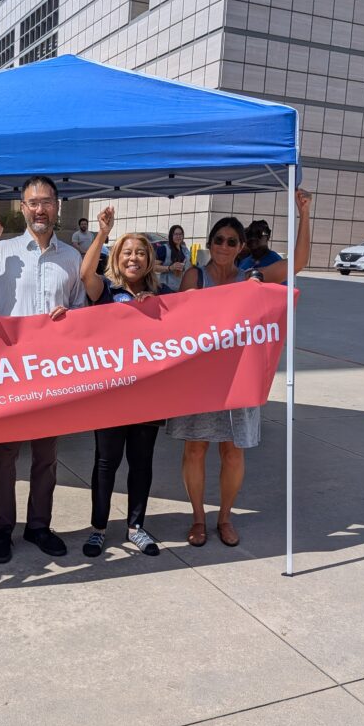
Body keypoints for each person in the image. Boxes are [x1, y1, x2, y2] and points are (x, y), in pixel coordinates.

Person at [171, 190, 312, 548]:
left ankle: (225, 518)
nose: (223, 245)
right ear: (210, 243)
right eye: (218, 239)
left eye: (231, 241)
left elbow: (297, 264)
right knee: (195, 449)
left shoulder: (253, 278)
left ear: (240, 247)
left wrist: (304, 213)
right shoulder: (194, 277)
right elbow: (176, 325)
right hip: (199, 379)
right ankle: (199, 519)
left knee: (233, 451)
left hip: (238, 379)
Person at [0, 175, 87, 563]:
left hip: (51, 372)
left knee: (47, 455)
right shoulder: (4, 250)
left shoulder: (71, 257)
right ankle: (2, 529)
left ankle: (39, 526)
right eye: (32, 203)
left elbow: (81, 308)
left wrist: (71, 316)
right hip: (8, 371)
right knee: (5, 456)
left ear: (57, 207)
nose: (40, 209)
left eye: (46, 202)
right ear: (22, 207)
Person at [79, 206, 169, 558]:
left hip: (148, 395)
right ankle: (99, 528)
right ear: (118, 257)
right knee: (106, 463)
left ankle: (136, 526)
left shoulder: (163, 297)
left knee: (141, 463)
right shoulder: (106, 291)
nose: (134, 258)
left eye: (141, 253)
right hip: (111, 396)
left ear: (149, 260)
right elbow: (86, 272)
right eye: (127, 252)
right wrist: (102, 233)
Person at [153, 224, 189, 292]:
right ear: (171, 236)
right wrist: (170, 268)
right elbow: (153, 267)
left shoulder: (185, 249)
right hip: (167, 288)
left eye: (180, 234)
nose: (178, 236)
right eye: (175, 234)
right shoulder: (164, 249)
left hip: (181, 287)